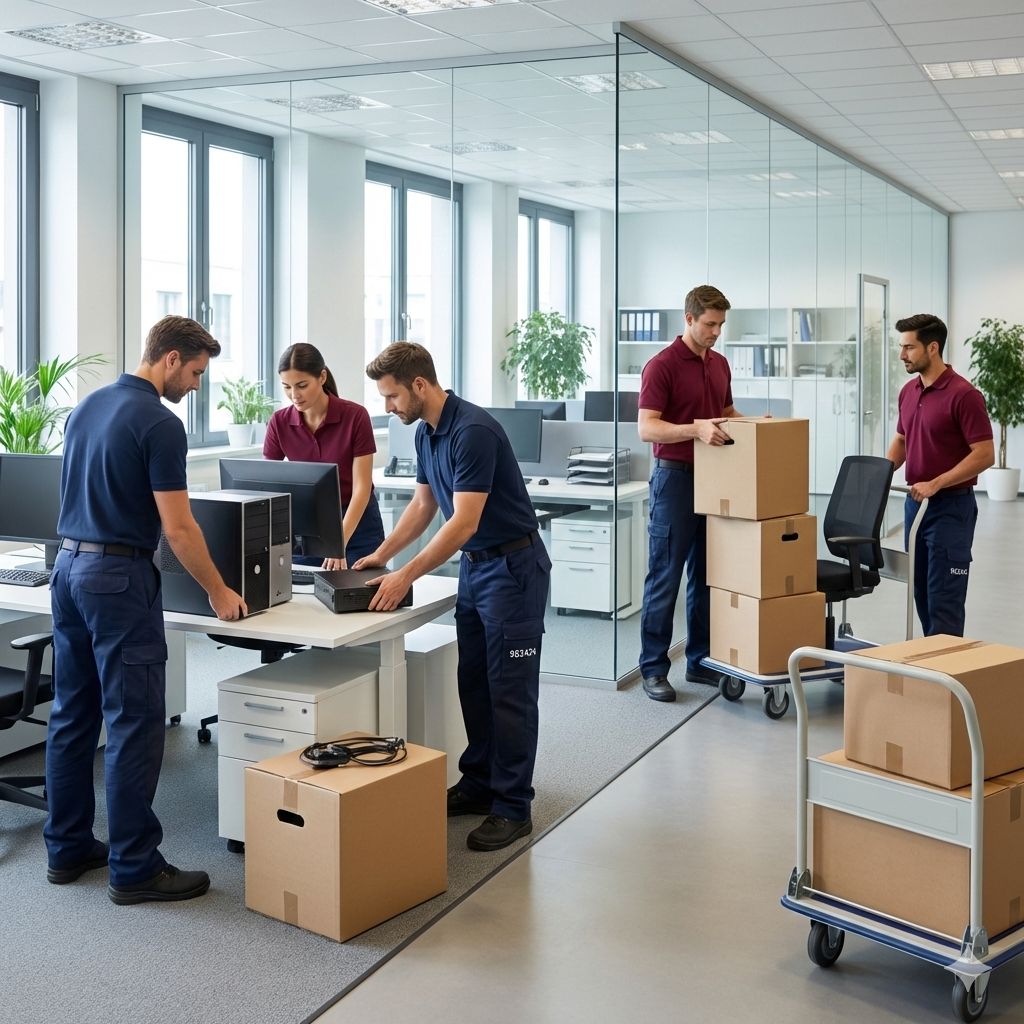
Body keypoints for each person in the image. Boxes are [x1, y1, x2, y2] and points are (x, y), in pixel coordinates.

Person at [44, 315, 247, 905]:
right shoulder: (160, 422)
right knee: (134, 721)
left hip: (67, 569)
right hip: (116, 580)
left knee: (72, 714)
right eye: (196, 372)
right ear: (170, 358)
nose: (197, 385)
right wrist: (218, 590)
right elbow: (178, 528)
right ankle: (134, 867)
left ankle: (67, 848)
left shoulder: (86, 408)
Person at [356, 342, 550, 853]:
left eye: (392, 396)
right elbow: (423, 505)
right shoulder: (426, 432)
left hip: (512, 569)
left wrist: (407, 575)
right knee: (475, 684)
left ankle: (513, 805)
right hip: (476, 569)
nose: (388, 407)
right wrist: (381, 555)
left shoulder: (473, 431)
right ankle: (480, 782)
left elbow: (463, 521)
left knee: (509, 691)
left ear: (419, 385)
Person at [637, 285, 740, 703]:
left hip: (714, 480)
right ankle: (653, 668)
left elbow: (727, 414)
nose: (716, 332)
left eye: (721, 325)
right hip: (674, 481)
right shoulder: (661, 366)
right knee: (665, 575)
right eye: (710, 324)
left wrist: (756, 425)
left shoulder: (719, 364)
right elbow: (647, 427)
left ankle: (700, 661)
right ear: (690, 319)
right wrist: (695, 429)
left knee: (707, 576)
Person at [885, 313, 994, 637]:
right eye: (902, 347)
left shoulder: (964, 395)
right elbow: (902, 440)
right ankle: (931, 661)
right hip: (915, 506)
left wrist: (937, 483)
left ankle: (946, 667)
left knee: (943, 600)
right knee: (920, 592)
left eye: (909, 347)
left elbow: (984, 454)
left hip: (951, 509)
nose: (902, 355)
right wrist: (881, 473)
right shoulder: (909, 391)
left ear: (933, 348)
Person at [264, 342, 384, 568]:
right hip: (308, 526)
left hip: (357, 523)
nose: (294, 395)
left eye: (302, 385)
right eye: (287, 387)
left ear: (322, 377)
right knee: (300, 589)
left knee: (358, 589)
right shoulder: (279, 422)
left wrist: (338, 544)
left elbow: (362, 488)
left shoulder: (356, 416)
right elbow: (266, 483)